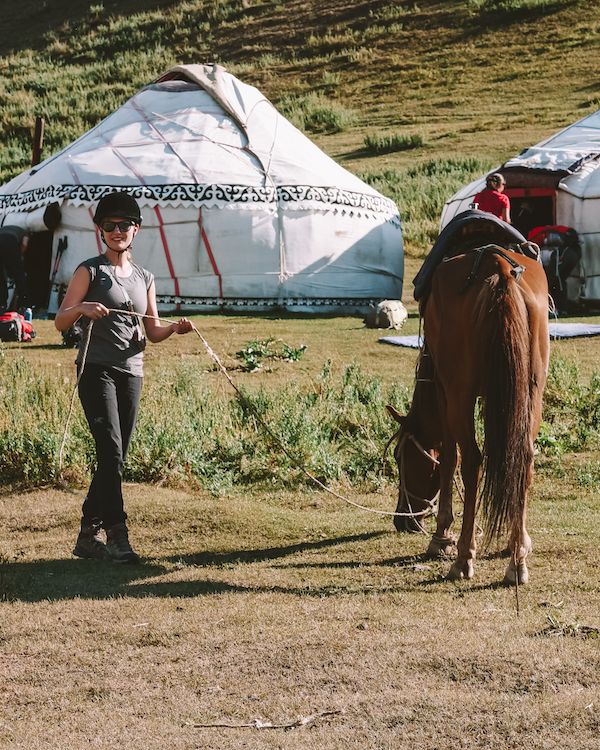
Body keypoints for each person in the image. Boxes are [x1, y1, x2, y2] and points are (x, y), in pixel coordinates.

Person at [54, 191, 193, 563]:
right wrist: (82, 307)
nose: (117, 231)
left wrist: (175, 329)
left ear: (137, 229)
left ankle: (87, 534)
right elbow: (60, 320)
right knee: (112, 450)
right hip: (96, 370)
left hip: (132, 373)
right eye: (110, 225)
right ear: (100, 230)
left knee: (115, 457)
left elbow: (153, 331)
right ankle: (117, 535)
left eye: (124, 225)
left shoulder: (145, 276)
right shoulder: (89, 270)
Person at [0, 225, 30, 313]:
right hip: (10, 241)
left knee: (1, 276)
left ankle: (2, 303)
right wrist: (20, 256)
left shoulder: (6, 228)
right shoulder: (25, 233)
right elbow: (24, 244)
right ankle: (23, 303)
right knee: (19, 274)